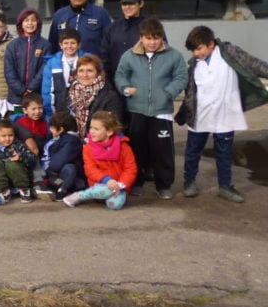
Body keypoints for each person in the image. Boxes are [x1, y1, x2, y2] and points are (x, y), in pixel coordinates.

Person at [177, 26, 268, 203]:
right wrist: (184, 113)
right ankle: (189, 182)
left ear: (211, 44)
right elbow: (190, 92)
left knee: (224, 153)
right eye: (193, 50)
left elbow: (255, 65)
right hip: (200, 115)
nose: (196, 53)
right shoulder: (194, 65)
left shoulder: (230, 53)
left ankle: (225, 186)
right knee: (193, 151)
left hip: (226, 114)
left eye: (199, 48)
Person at [114, 17, 187, 199]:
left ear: (162, 37)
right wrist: (125, 88)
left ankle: (164, 185)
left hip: (162, 111)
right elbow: (120, 75)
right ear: (141, 38)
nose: (152, 42)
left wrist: (168, 92)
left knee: (162, 149)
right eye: (148, 38)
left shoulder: (174, 55)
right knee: (137, 148)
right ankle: (137, 181)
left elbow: (181, 77)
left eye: (156, 38)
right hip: (136, 109)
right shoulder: (129, 55)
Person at [63, 111, 137, 210]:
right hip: (99, 186)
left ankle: (106, 195)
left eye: (96, 129)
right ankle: (80, 196)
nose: (91, 131)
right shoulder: (88, 148)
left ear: (109, 132)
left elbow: (130, 169)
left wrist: (121, 184)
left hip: (119, 187)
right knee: (105, 190)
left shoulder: (124, 147)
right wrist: (106, 180)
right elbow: (90, 170)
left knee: (115, 205)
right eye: (91, 128)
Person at [47, 0, 112, 56]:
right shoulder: (59, 15)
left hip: (92, 65)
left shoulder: (101, 14)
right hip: (65, 66)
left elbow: (109, 44)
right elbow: (52, 45)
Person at [4, 8, 51, 111]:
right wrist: (21, 90)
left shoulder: (45, 45)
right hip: (17, 98)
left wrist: (31, 88)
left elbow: (45, 68)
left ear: (38, 23)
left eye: (33, 20)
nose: (30, 23)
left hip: (37, 96)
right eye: (26, 20)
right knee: (18, 124)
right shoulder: (12, 45)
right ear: (21, 23)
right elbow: (9, 71)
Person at [67, 55, 124, 135]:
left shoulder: (111, 97)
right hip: (72, 140)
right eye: (81, 71)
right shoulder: (70, 92)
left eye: (89, 71)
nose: (85, 75)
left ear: (98, 73)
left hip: (98, 142)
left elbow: (113, 125)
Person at [100, 0, 147, 83]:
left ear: (141, 4)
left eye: (132, 3)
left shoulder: (150, 26)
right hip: (116, 83)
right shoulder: (111, 28)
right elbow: (104, 57)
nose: (128, 7)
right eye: (124, 4)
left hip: (143, 83)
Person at [0, 120, 36, 203]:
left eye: (10, 135)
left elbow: (32, 158)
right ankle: (4, 191)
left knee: (12, 164)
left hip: (19, 178)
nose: (7, 139)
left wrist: (21, 157)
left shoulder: (19, 146)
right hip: (2, 180)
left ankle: (25, 190)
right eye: (3, 136)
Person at [39, 111, 84, 201]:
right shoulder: (56, 138)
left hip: (64, 172)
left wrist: (50, 169)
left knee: (70, 168)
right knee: (50, 180)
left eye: (52, 128)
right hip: (54, 174)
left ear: (61, 129)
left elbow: (58, 163)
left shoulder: (71, 141)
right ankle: (59, 187)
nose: (50, 130)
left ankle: (63, 190)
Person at [40, 28, 83, 117]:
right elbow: (46, 90)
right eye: (66, 43)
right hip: (59, 109)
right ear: (60, 45)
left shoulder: (87, 60)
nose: (69, 46)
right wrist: (51, 113)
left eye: (73, 43)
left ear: (79, 45)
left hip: (81, 110)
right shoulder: (52, 63)